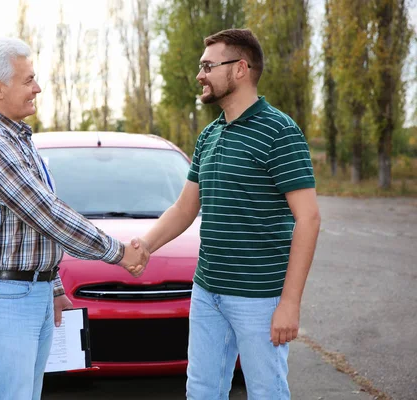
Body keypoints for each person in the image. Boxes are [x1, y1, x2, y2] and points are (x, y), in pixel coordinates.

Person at [0, 37, 148, 400]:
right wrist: (120, 253)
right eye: (28, 80)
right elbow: (48, 214)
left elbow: (29, 229)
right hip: (5, 298)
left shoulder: (15, 137)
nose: (37, 88)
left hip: (27, 292)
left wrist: (53, 286)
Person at [132, 29, 321, 399]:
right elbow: (185, 207)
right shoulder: (210, 135)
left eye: (207, 66)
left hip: (258, 299)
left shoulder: (279, 131)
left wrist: (290, 303)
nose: (200, 75)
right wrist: (143, 246)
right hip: (207, 292)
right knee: (202, 390)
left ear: (240, 69)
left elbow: (309, 218)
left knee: (266, 392)